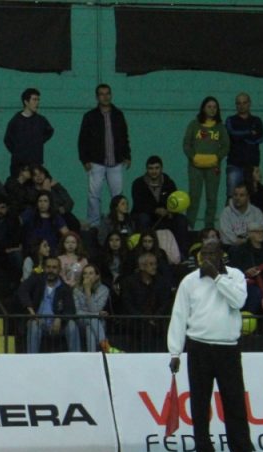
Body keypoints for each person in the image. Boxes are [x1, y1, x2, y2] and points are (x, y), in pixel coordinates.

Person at [167, 240, 261, 452]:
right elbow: (179, 315)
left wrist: (217, 278)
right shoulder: (189, 281)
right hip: (198, 347)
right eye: (203, 254)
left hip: (228, 349)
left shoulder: (235, 276)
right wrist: (175, 352)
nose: (206, 258)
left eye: (211, 253)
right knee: (199, 407)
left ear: (221, 256)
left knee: (235, 406)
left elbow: (238, 302)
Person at [78, 83, 131, 233]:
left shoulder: (118, 114)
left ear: (111, 95)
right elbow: (83, 139)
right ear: (97, 97)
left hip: (116, 162)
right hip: (96, 162)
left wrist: (127, 155)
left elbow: (124, 136)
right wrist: (85, 160)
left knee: (118, 196)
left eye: (108, 93)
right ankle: (94, 225)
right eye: (102, 94)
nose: (105, 96)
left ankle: (118, 223)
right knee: (94, 196)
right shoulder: (89, 116)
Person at [183, 96, 229, 231]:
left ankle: (209, 227)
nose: (212, 109)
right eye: (209, 106)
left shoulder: (220, 127)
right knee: (194, 196)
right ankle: (189, 225)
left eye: (215, 107)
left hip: (213, 167)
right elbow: (186, 144)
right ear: (203, 108)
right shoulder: (194, 124)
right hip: (195, 167)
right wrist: (193, 157)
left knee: (212, 197)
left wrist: (217, 158)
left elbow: (226, 146)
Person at [130, 156, 191, 256]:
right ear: (147, 169)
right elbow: (138, 204)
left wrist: (171, 212)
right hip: (147, 217)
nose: (154, 171)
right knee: (143, 218)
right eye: (151, 168)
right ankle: (142, 253)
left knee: (182, 220)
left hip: (166, 217)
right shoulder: (138, 184)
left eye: (156, 168)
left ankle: (183, 255)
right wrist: (155, 210)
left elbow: (174, 201)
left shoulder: (169, 183)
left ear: (161, 168)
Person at [18, 256, 80, 352]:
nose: (51, 270)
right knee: (33, 324)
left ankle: (77, 360)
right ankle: (31, 361)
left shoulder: (65, 288)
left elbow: (70, 309)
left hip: (58, 326)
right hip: (39, 322)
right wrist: (30, 310)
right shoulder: (36, 280)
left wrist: (60, 318)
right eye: (48, 267)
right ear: (44, 268)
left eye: (54, 267)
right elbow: (22, 290)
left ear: (59, 269)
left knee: (72, 325)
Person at [229, 223, 263, 316]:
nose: (260, 234)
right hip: (249, 283)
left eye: (262, 231)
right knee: (256, 293)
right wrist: (246, 271)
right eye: (257, 231)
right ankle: (249, 323)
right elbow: (235, 269)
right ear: (249, 233)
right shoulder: (240, 250)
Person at [120, 251, 171, 349]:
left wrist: (155, 317)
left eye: (155, 264)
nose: (154, 267)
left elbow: (165, 303)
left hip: (157, 322)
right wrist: (145, 319)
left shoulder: (161, 282)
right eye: (151, 264)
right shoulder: (129, 282)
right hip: (136, 322)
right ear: (142, 266)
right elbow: (128, 304)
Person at [3, 88, 54, 177]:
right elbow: (7, 140)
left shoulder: (41, 120)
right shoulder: (16, 121)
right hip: (19, 165)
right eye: (34, 100)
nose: (37, 103)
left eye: (38, 100)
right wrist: (19, 152)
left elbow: (49, 131)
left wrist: (38, 142)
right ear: (26, 102)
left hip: (36, 164)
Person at [225, 92, 263, 199]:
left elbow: (260, 139)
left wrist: (240, 136)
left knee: (253, 196)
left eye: (244, 102)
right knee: (232, 195)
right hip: (234, 164)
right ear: (235, 105)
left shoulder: (257, 120)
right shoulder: (230, 120)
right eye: (238, 103)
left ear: (249, 103)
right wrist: (250, 133)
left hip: (252, 165)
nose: (241, 105)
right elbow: (232, 134)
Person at [74, 263, 110, 351]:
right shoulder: (76, 290)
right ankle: (106, 347)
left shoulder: (104, 290)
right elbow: (77, 312)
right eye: (85, 273)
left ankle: (92, 355)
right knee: (93, 319)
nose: (87, 276)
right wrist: (97, 314)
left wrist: (87, 291)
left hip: (96, 323)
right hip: (81, 322)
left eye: (91, 273)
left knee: (90, 326)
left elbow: (94, 309)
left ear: (97, 276)